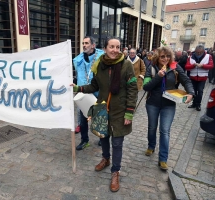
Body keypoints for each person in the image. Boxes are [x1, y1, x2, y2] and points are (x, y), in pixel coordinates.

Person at [72, 37, 138, 192]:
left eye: (118, 47)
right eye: (111, 47)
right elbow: (95, 85)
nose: (115, 50)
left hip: (120, 110)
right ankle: (106, 159)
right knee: (104, 137)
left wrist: (129, 113)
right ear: (106, 48)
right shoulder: (100, 64)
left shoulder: (126, 64)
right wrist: (78, 88)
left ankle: (116, 171)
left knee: (117, 143)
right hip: (103, 108)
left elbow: (132, 89)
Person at [143, 46, 194, 170]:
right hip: (153, 103)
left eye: (167, 56)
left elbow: (186, 80)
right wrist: (158, 76)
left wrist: (191, 93)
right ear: (157, 57)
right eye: (162, 56)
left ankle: (163, 159)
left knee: (165, 131)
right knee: (152, 127)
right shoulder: (152, 67)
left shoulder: (175, 67)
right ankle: (151, 145)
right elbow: (146, 87)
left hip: (169, 104)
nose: (165, 59)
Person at [73, 36, 104, 150]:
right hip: (84, 93)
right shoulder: (79, 60)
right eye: (83, 43)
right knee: (83, 119)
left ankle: (102, 137)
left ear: (93, 45)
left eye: (86, 43)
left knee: (99, 117)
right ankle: (84, 140)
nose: (84, 45)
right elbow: (78, 75)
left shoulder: (101, 58)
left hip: (98, 93)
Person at [185, 45, 214, 111]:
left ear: (203, 51)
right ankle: (194, 103)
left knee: (200, 91)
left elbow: (211, 66)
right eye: (197, 52)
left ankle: (198, 104)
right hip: (193, 77)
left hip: (202, 77)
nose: (198, 53)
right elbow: (186, 67)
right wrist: (193, 65)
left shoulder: (208, 56)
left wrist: (203, 66)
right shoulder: (190, 57)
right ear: (195, 51)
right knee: (193, 91)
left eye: (200, 52)